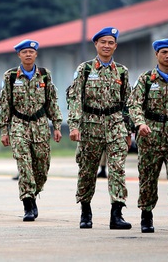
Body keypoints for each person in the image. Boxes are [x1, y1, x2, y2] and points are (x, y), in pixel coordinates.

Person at [127, 38, 168, 234]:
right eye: (164, 52)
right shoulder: (146, 79)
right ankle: (146, 216)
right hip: (151, 134)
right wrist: (140, 123)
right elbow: (134, 105)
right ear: (156, 55)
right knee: (148, 178)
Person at [68, 27, 132, 230]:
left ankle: (117, 214)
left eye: (110, 42)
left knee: (117, 170)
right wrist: (74, 126)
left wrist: (128, 130)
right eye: (102, 42)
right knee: (87, 171)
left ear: (115, 46)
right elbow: (75, 98)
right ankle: (85, 211)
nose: (106, 46)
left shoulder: (122, 71)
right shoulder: (85, 69)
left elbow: (127, 102)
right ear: (96, 44)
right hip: (90, 125)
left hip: (115, 125)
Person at [0, 39, 63, 221]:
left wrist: (57, 126)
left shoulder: (44, 75)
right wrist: (4, 130)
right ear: (19, 55)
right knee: (24, 164)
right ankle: (27, 203)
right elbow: (5, 104)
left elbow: (52, 101)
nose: (28, 55)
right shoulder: (10, 76)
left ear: (36, 55)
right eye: (24, 52)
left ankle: (34, 193)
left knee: (41, 167)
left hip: (40, 125)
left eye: (31, 52)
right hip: (19, 124)